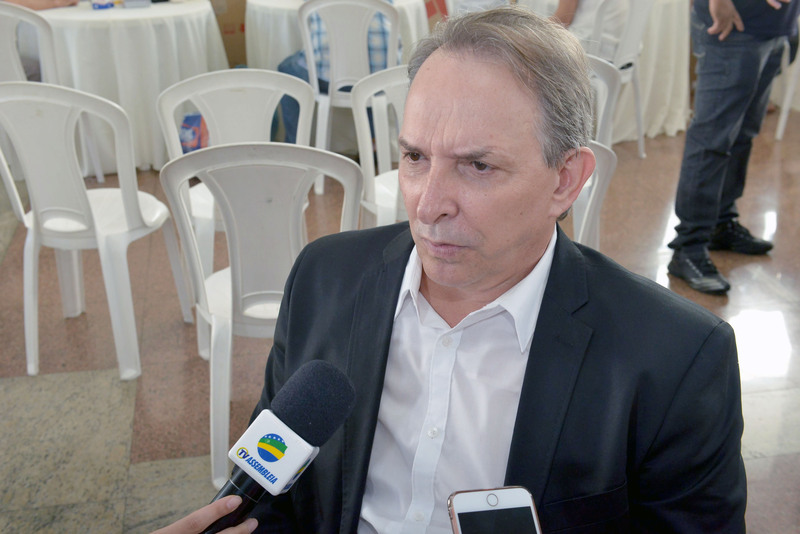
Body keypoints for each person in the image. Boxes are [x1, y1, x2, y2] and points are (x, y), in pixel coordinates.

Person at [164, 6, 746, 533]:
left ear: (565, 180)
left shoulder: (675, 358)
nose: (427, 205)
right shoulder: (324, 278)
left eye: (477, 166)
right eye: (415, 156)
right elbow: (270, 493)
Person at [667, 0, 800, 295]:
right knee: (711, 140)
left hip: (774, 26)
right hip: (733, 24)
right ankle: (688, 248)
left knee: (742, 133)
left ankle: (721, 223)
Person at [277, 0, 401, 144]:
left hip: (328, 80)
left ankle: (295, 145)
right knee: (367, 72)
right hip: (381, 79)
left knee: (287, 68)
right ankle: (374, 145)